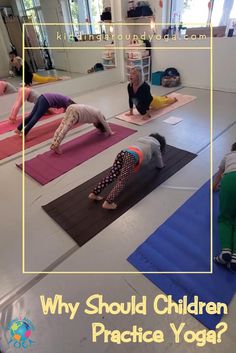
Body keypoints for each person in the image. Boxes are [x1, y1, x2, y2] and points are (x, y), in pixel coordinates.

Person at [88, 133, 166, 209]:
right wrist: (161, 166)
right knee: (122, 181)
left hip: (123, 152)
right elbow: (158, 158)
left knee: (111, 176)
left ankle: (94, 193)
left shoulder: (142, 139)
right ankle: (108, 202)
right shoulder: (156, 145)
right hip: (131, 157)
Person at [213, 142, 236, 272]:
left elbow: (219, 174)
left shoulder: (228, 156)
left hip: (229, 180)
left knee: (225, 218)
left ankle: (226, 252)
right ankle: (235, 258)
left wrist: (214, 187)